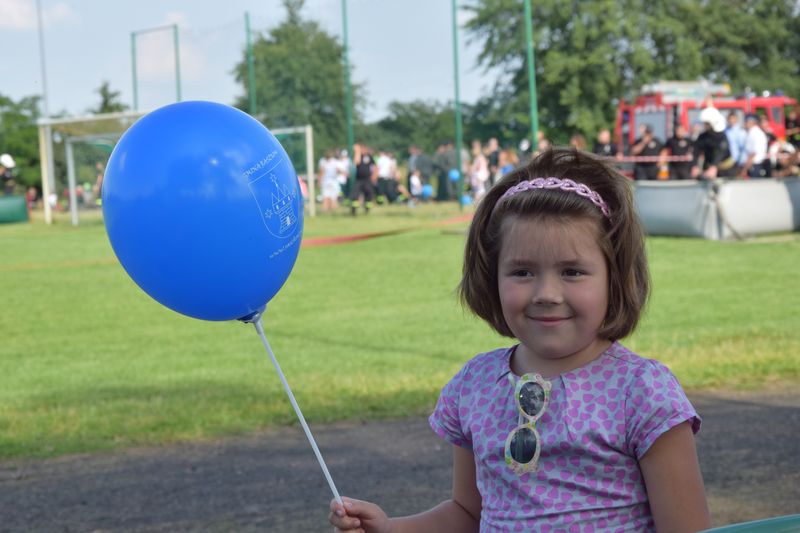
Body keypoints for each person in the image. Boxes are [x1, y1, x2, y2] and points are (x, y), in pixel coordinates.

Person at [330, 148, 710, 533]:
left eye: (573, 271)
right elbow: (467, 514)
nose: (546, 292)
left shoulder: (642, 392)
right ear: (492, 276)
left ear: (613, 277)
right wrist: (390, 528)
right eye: (523, 271)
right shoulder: (475, 385)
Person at [692, 107, 738, 179]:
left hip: (727, 170)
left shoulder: (721, 136)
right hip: (709, 169)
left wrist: (714, 166)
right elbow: (696, 151)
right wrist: (694, 166)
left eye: (707, 123)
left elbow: (722, 152)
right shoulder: (703, 137)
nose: (705, 126)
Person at [740, 114, 770, 178]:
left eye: (747, 121)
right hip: (753, 164)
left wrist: (745, 168)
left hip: (755, 165)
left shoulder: (756, 133)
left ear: (753, 122)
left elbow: (753, 152)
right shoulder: (751, 132)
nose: (745, 123)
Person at [350, 144, 377, 216]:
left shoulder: (369, 157)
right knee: (355, 195)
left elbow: (374, 167)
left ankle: (367, 210)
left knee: (368, 195)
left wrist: (374, 176)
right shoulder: (358, 156)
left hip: (367, 179)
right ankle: (353, 211)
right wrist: (357, 152)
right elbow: (356, 162)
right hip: (359, 179)